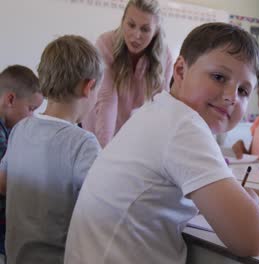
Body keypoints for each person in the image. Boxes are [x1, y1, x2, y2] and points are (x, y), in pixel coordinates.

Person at [64, 22, 259, 264]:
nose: (231, 97)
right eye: (219, 77)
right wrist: (252, 201)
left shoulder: (158, 110)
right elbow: (251, 239)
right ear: (180, 70)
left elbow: (196, 187)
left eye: (243, 91)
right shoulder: (184, 126)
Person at [0, 35, 102, 263]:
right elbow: (104, 207)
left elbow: (3, 183)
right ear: (89, 87)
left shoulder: (20, 129)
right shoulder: (83, 143)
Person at [82, 0, 173, 147]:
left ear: (156, 31)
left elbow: (161, 107)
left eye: (145, 29)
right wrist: (104, 151)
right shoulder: (105, 43)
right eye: (131, 25)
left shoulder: (165, 56)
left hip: (129, 134)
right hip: (98, 129)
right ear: (123, 21)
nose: (136, 35)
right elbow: (107, 99)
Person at [0, 64, 43, 258]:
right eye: (31, 108)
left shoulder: (10, 128)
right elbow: (4, 182)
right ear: (10, 99)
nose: (32, 116)